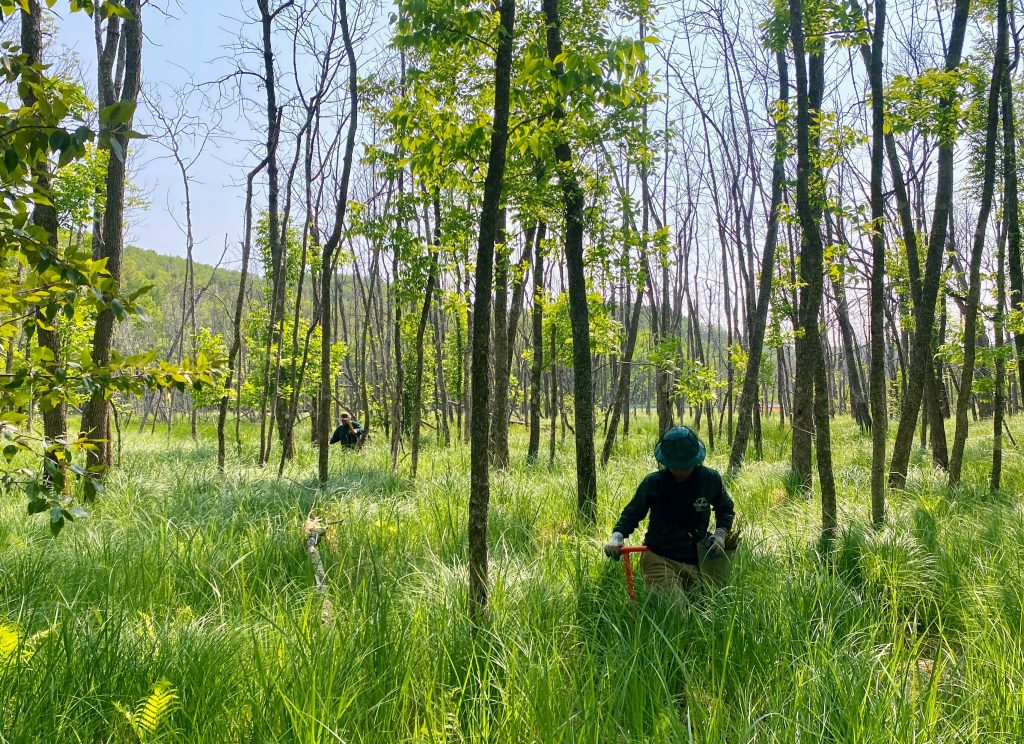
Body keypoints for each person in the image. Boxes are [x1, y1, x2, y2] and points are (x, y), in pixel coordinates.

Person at [603, 425, 735, 593]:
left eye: (685, 467)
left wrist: (721, 534)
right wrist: (617, 536)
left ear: (696, 460)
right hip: (659, 558)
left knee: (703, 612)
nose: (680, 472)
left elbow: (726, 508)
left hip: (697, 560)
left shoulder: (710, 479)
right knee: (677, 611)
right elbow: (632, 514)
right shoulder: (653, 483)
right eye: (675, 467)